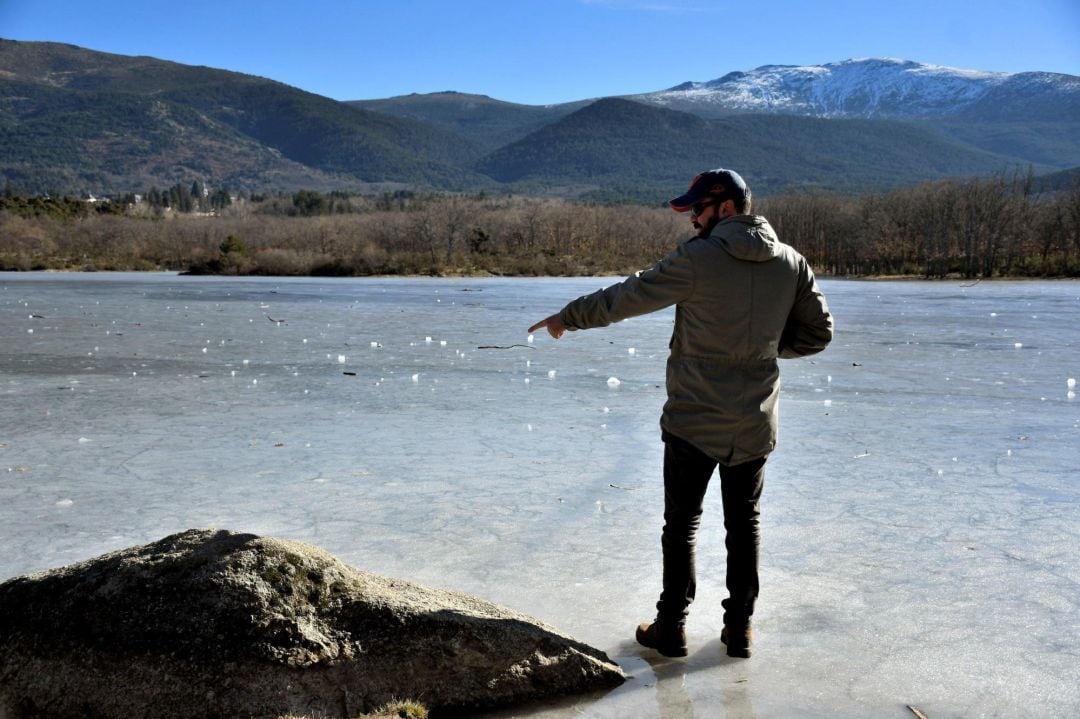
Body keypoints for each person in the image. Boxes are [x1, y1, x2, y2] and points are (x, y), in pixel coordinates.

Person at [528, 168, 833, 659]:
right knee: (745, 524)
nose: (693, 219)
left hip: (693, 417)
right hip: (755, 420)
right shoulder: (791, 263)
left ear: (726, 208)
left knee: (682, 523)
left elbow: (627, 296)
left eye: (698, 209)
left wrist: (569, 316)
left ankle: (670, 627)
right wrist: (759, 352)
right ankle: (740, 630)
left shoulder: (698, 259)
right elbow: (818, 335)